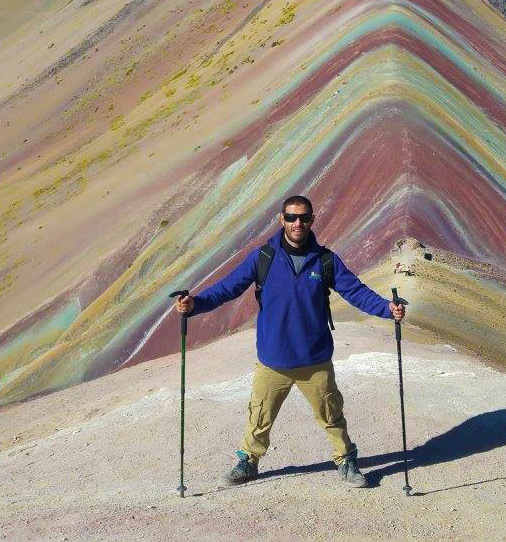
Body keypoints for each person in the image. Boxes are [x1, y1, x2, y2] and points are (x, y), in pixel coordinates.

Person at [172, 195, 407, 488]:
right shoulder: (263, 258)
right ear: (281, 219)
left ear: (312, 220)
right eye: (292, 217)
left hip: (314, 359)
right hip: (273, 359)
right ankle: (248, 461)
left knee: (331, 415)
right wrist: (195, 305)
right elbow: (226, 289)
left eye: (304, 218)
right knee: (259, 416)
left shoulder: (325, 260)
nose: (298, 223)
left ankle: (346, 460)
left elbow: (356, 292)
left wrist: (387, 308)